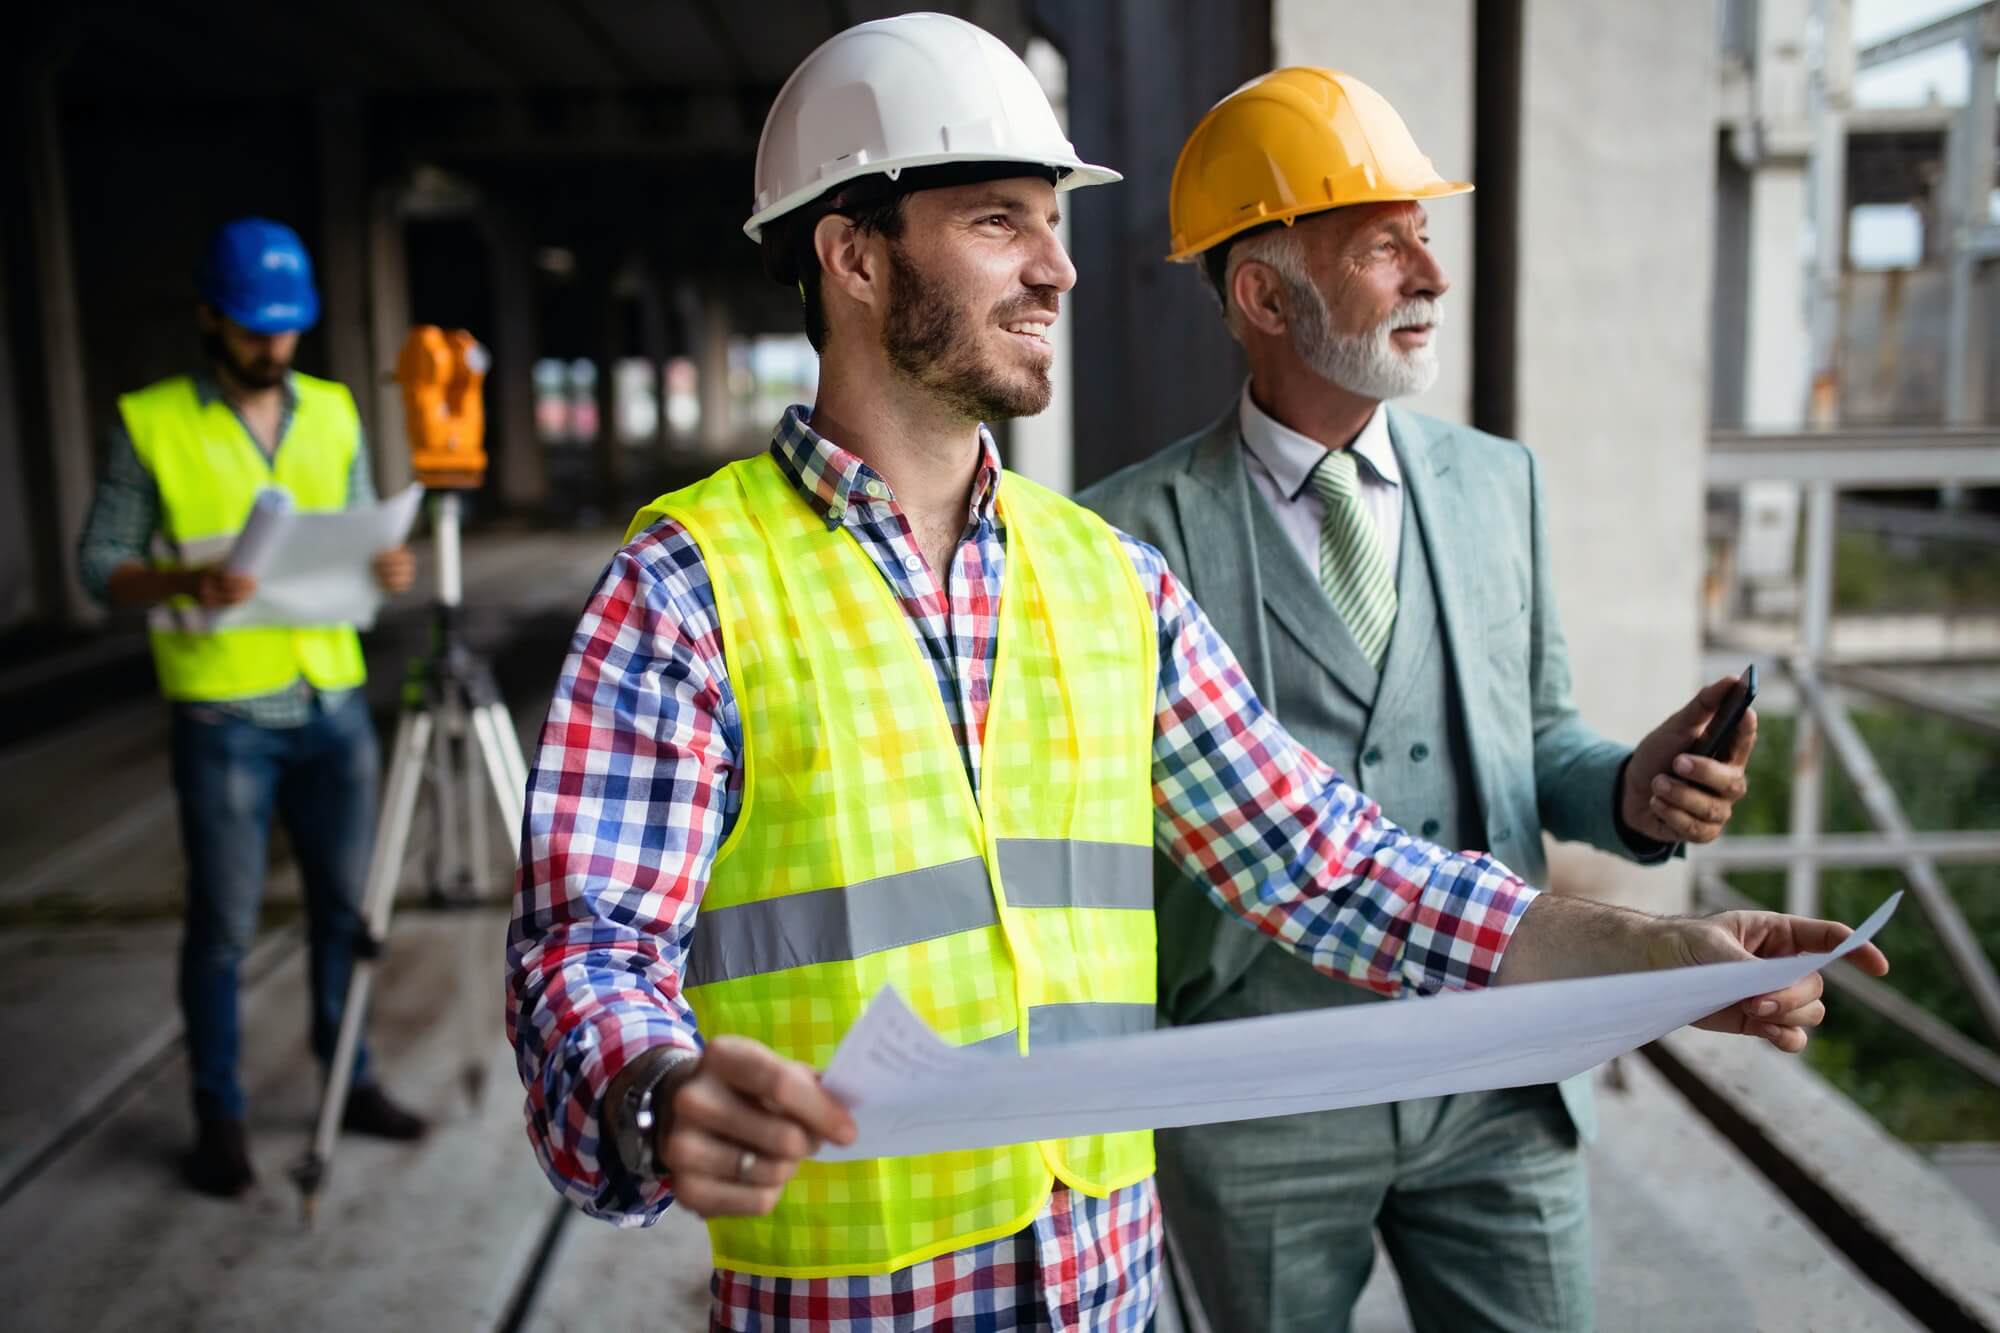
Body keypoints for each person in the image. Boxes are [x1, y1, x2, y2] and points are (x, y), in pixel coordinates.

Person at [504, 17, 1882, 1331]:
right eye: (1001, 219)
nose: (1060, 269)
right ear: (853, 256)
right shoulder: (690, 585)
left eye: (1057, 223)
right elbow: (589, 955)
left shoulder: (1105, 580)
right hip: (859, 1301)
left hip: (1100, 1282)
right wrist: (655, 1093)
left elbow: (1336, 868)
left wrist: (1664, 960)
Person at [1076, 66, 1765, 1331]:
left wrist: (1630, 789)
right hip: (1261, 1094)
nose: (1430, 280)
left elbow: (1536, 736)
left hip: (1499, 1075)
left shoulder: (1500, 485)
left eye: (1425, 242)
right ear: (1260, 293)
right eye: (1384, 248)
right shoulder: (1118, 538)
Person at [78, 217, 428, 1198]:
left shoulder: (331, 409)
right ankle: (218, 1117)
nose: (272, 346)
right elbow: (98, 567)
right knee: (224, 930)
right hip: (224, 712)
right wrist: (183, 585)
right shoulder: (149, 421)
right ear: (209, 319)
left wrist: (386, 563)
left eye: (285, 329)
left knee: (343, 912)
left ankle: (349, 1079)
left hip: (331, 698)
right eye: (253, 328)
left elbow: (359, 530)